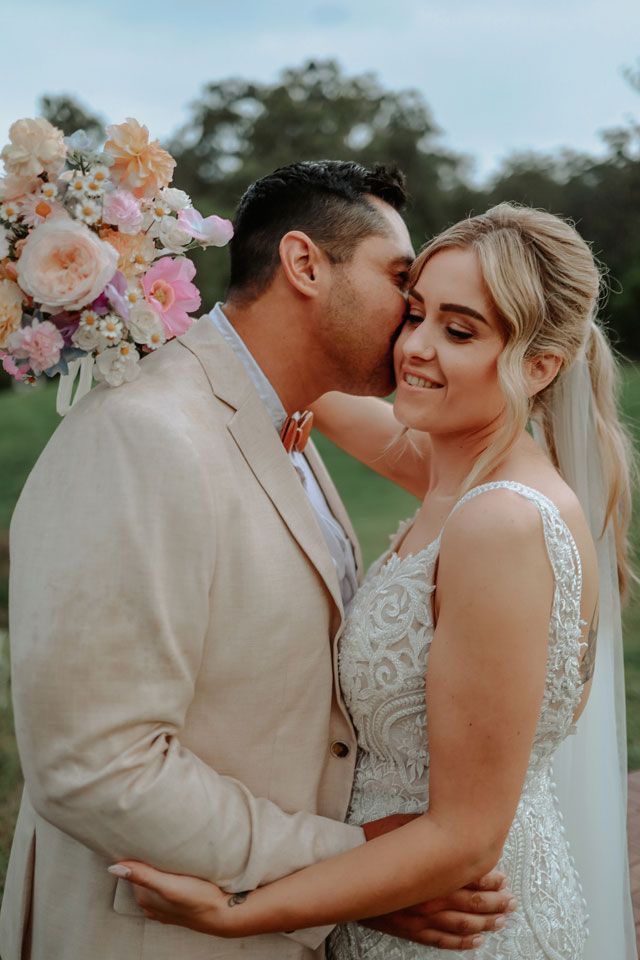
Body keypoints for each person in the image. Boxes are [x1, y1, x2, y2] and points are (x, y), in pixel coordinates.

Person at [0, 162, 513, 960]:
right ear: (305, 264)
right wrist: (357, 871)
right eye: (399, 281)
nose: (414, 316)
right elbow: (95, 764)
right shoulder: (143, 434)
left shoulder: (286, 426)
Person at [109, 204, 637, 959]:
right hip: (383, 900)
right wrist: (130, 290)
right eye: (415, 313)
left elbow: (465, 836)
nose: (415, 346)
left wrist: (240, 908)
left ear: (539, 366)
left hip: (455, 931)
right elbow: (307, 381)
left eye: (459, 332)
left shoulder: (500, 524)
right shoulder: (458, 471)